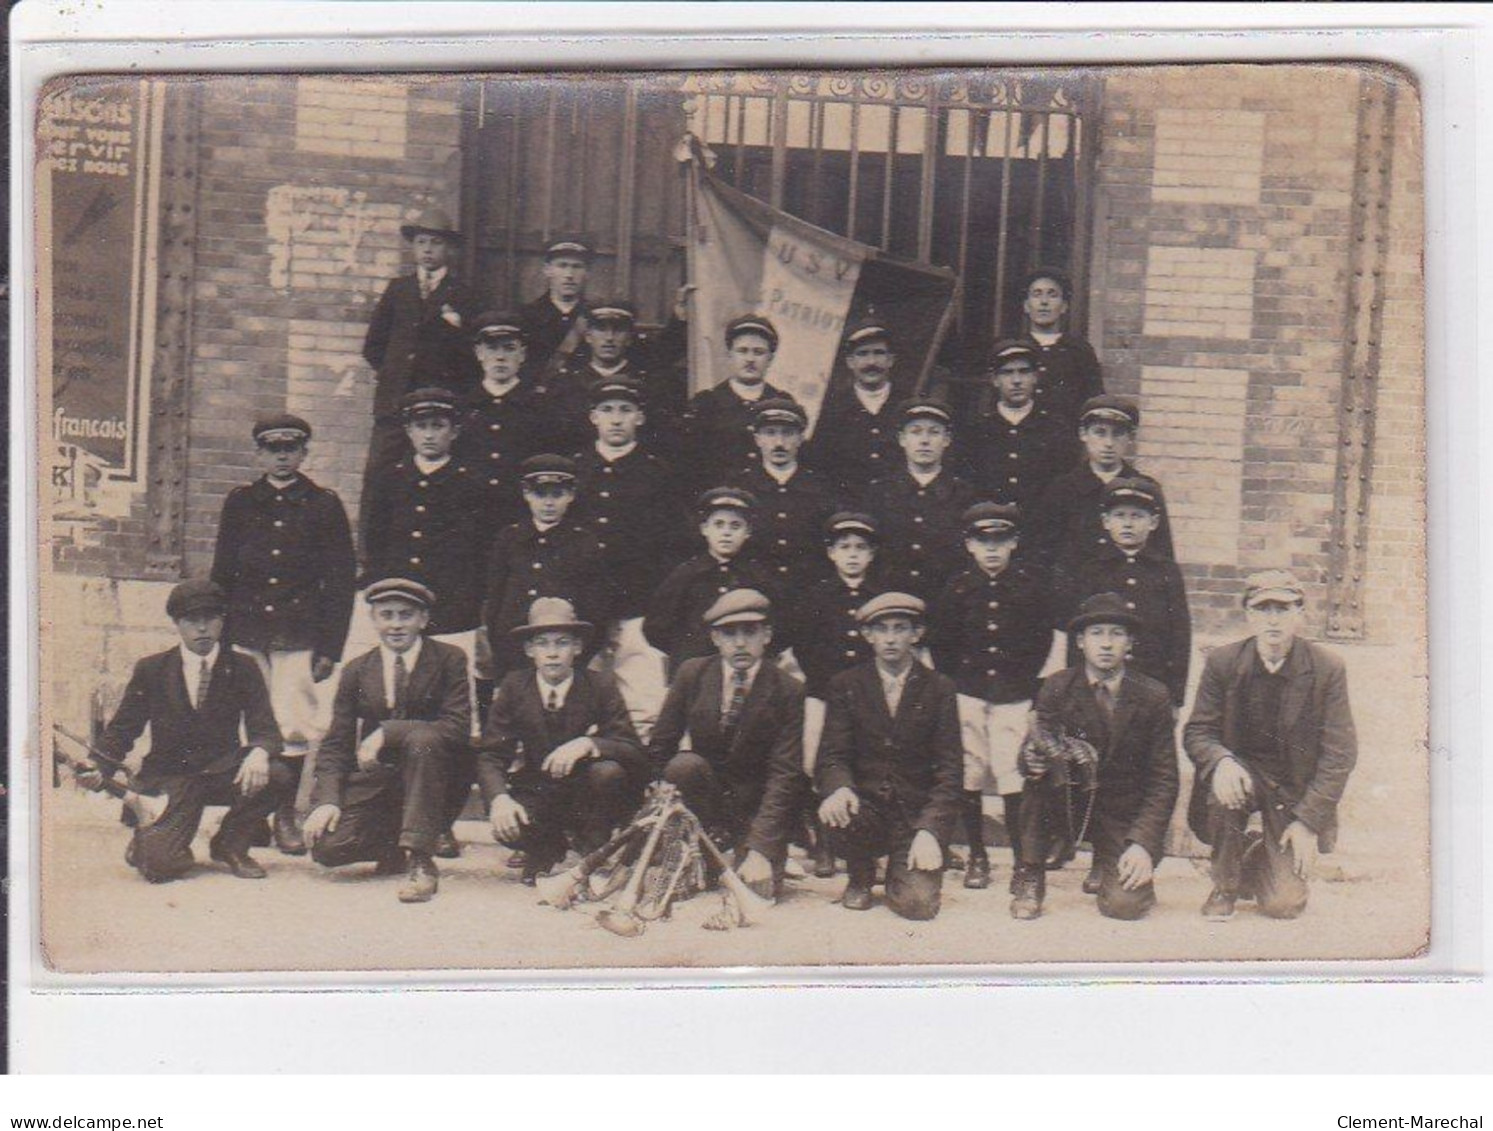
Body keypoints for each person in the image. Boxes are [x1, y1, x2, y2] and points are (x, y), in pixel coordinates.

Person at [210, 413, 356, 856]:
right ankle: (247, 815)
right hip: (247, 631)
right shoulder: (241, 503)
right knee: (248, 725)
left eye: (290, 449)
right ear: (259, 454)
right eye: (273, 450)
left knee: (292, 725)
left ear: (304, 452)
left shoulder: (323, 505)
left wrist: (330, 646)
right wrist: (221, 636)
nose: (282, 458)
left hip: (299, 632)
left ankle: (285, 814)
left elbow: (340, 580)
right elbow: (222, 574)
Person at [83, 580, 292, 883]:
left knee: (278, 774)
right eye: (192, 620)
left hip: (222, 772)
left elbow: (266, 729)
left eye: (211, 619)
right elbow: (122, 729)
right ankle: (152, 841)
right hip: (171, 778)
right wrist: (96, 765)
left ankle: (230, 844)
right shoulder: (152, 670)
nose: (203, 629)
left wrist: (259, 752)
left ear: (222, 621)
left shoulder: (244, 667)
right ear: (176, 624)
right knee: (160, 867)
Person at [1183, 570, 1358, 921]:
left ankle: (1257, 855)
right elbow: (1198, 730)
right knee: (1225, 787)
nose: (1273, 619)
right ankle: (1224, 884)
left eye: (1283, 609)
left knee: (1283, 905)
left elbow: (1340, 754)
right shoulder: (1223, 663)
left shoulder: (1327, 668)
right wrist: (1221, 761)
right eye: (1263, 609)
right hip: (1241, 777)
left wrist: (1308, 821)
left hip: (1293, 790)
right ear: (1248, 614)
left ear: (1300, 613)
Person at [1010, 592, 1180, 921]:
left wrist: (1143, 844)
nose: (1106, 644)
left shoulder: (1153, 696)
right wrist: (1031, 761)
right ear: (1080, 642)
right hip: (1068, 804)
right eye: (1096, 633)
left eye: (1116, 634)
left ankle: (1110, 863)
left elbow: (1164, 779)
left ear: (1130, 642)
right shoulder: (1056, 687)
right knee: (1036, 785)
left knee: (1124, 906)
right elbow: (1030, 748)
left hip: (1122, 814)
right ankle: (1030, 872)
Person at [303, 579, 471, 903]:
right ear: (374, 620)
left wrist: (389, 731)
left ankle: (421, 861)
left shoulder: (449, 659)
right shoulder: (357, 670)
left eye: (405, 615)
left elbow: (457, 727)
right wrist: (327, 800)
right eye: (387, 615)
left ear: (423, 620)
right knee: (328, 848)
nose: (396, 625)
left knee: (424, 738)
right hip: (381, 781)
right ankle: (400, 843)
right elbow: (336, 742)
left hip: (438, 776)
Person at [477, 598, 648, 885]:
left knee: (608, 772)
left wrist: (589, 744)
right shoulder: (514, 686)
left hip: (588, 793)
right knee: (509, 824)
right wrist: (499, 799)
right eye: (543, 643)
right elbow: (492, 754)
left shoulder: (600, 685)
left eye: (562, 643)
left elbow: (632, 749)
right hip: (540, 791)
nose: (553, 653)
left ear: (578, 647)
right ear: (529, 649)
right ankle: (546, 849)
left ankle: (592, 851)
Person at [929, 502, 1054, 891]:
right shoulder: (957, 588)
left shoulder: (1030, 587)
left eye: (1001, 540)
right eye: (983, 541)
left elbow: (1041, 640)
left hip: (1013, 694)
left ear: (1014, 542)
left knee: (1011, 772)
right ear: (969, 545)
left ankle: (1021, 859)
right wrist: (955, 687)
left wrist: (1028, 686)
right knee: (970, 768)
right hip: (968, 692)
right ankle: (978, 855)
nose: (992, 549)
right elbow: (942, 644)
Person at [649, 589, 806, 898]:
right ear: (715, 638)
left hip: (755, 809)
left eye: (750, 632)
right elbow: (661, 746)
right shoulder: (692, 673)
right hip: (703, 804)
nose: (739, 643)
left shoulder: (788, 689)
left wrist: (761, 848)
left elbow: (785, 775)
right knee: (683, 765)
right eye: (729, 633)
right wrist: (658, 800)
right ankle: (695, 850)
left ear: (767, 635)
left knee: (760, 890)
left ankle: (750, 853)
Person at [817, 592, 963, 920]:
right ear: (867, 636)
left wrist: (931, 831)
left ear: (916, 634)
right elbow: (832, 755)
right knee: (837, 806)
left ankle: (902, 867)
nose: (891, 638)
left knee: (918, 906)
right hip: (864, 810)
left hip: (913, 817)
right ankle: (860, 873)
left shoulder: (940, 688)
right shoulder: (846, 685)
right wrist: (839, 788)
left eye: (901, 628)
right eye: (881, 629)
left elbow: (950, 770)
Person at [358, 208, 481, 558]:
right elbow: (374, 346)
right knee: (380, 473)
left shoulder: (463, 296)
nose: (427, 250)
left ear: (449, 250)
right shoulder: (399, 290)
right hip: (395, 406)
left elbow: (473, 355)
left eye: (436, 243)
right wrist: (396, 377)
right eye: (421, 242)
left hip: (439, 407)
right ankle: (369, 556)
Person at [571, 376, 681, 740]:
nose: (616, 419)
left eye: (625, 410)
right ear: (593, 418)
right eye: (607, 410)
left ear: (640, 418)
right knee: (578, 702)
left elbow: (671, 546)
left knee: (645, 705)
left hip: (640, 608)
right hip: (583, 609)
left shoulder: (659, 473)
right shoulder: (575, 471)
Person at [790, 512, 890, 878]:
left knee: (865, 762)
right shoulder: (817, 596)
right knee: (815, 761)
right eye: (844, 548)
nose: (852, 556)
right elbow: (802, 643)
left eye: (861, 548)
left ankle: (865, 843)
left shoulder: (879, 597)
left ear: (872, 554)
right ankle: (825, 845)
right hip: (823, 693)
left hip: (866, 698)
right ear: (831, 553)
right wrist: (823, 680)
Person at [1054, 477, 1192, 706]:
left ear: (1154, 522)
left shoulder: (1166, 571)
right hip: (1099, 684)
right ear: (1106, 521)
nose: (1128, 524)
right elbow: (1077, 635)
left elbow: (1179, 637)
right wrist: (1077, 692)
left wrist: (1176, 698)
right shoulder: (1092, 570)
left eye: (1137, 516)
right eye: (1120, 516)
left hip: (1152, 683)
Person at [482, 454, 611, 683]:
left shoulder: (584, 543)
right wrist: (499, 650)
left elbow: (595, 609)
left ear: (571, 495)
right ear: (526, 494)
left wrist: (582, 654)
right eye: (541, 494)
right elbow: (495, 600)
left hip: (565, 656)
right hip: (515, 651)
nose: (549, 503)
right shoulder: (509, 539)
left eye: (557, 494)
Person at [1028, 393, 1175, 571]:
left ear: (1131, 437)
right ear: (1083, 434)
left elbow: (1162, 558)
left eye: (1118, 434)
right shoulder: (1062, 489)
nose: (1108, 443)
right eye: (1100, 433)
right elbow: (1041, 556)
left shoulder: (1146, 489)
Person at [643, 486, 777, 676]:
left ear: (748, 532)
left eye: (735, 526)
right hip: (695, 671)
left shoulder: (757, 577)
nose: (726, 533)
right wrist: (686, 651)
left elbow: (778, 626)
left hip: (745, 670)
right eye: (719, 524)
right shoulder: (685, 575)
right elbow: (655, 628)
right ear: (704, 528)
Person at [862, 397, 978, 600]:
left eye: (934, 432)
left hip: (945, 604)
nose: (925, 440)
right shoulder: (879, 493)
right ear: (902, 439)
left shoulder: (965, 496)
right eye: (915, 432)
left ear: (947, 440)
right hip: (889, 605)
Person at [453, 311, 559, 533]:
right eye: (492, 348)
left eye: (509, 348)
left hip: (520, 522)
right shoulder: (461, 407)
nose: (500, 357)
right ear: (479, 353)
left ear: (522, 354)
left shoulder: (542, 408)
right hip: (468, 522)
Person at [548, 298, 688, 461]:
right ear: (588, 336)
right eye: (601, 329)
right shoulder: (566, 384)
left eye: (618, 330)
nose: (609, 337)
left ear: (629, 338)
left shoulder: (650, 384)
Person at [728, 398, 839, 596]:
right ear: (757, 439)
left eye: (788, 434)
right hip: (753, 592)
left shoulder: (822, 489)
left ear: (800, 438)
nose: (779, 443)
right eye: (770, 433)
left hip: (809, 594)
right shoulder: (739, 488)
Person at [680, 315, 798, 492]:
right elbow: (692, 466)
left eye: (758, 352)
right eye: (742, 351)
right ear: (729, 355)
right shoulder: (706, 403)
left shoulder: (782, 402)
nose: (750, 359)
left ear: (770, 359)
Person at [962, 338, 1076, 514]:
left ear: (1035, 377)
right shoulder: (976, 432)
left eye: (1024, 372)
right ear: (995, 380)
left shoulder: (1056, 430)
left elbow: (1063, 493)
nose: (1016, 380)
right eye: (1008, 373)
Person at [806, 318, 906, 502]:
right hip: (847, 511)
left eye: (879, 353)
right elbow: (819, 469)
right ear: (850, 362)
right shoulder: (830, 410)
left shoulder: (907, 408)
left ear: (891, 360)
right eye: (863, 354)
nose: (871, 362)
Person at [1018, 267, 1104, 429]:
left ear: (1064, 306)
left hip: (1064, 444)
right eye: (1037, 294)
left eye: (1052, 295)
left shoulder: (1080, 351)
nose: (1044, 302)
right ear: (1026, 306)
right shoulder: (1015, 349)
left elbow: (1094, 405)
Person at [519, 235, 592, 377]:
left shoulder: (593, 317)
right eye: (562, 265)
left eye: (577, 267)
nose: (569, 275)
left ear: (587, 273)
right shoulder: (525, 317)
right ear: (547, 270)